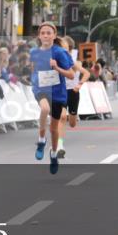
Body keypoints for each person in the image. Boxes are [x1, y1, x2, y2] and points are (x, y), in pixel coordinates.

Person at [29, 23, 74, 174]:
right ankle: (41, 141)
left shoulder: (60, 52)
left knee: (54, 129)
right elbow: (33, 68)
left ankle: (53, 154)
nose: (46, 35)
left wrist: (57, 68)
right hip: (41, 89)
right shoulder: (34, 52)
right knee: (44, 108)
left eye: (49, 33)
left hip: (58, 93)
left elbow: (71, 75)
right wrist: (34, 78)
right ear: (39, 36)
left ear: (54, 36)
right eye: (43, 33)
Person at [56, 36, 90, 159]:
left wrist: (79, 85)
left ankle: (70, 117)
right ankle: (60, 145)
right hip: (61, 92)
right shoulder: (57, 59)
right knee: (62, 117)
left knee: (72, 123)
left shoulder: (74, 61)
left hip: (73, 93)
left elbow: (87, 73)